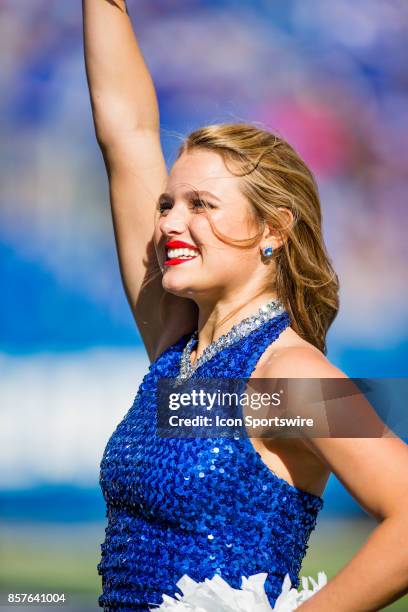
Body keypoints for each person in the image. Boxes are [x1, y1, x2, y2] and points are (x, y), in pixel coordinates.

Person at [82, 1, 408, 610]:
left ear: (274, 230)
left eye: (201, 205)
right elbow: (125, 135)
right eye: (166, 206)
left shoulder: (290, 377)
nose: (171, 223)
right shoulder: (180, 355)